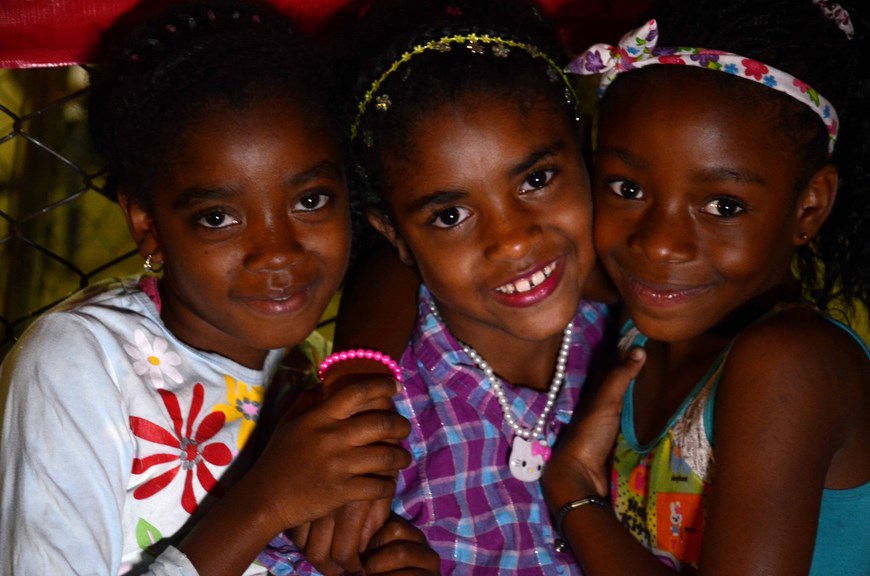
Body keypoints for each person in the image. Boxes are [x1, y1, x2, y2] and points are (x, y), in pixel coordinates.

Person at [0, 1, 419, 574]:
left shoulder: (311, 369)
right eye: (219, 217)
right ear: (147, 224)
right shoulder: (84, 362)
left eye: (310, 200)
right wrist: (262, 505)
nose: (278, 252)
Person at [258, 0, 646, 573]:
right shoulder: (368, 442)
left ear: (584, 151)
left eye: (536, 180)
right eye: (450, 216)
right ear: (394, 235)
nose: (512, 241)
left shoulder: (642, 333)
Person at [542, 0, 870, 574]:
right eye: (626, 188)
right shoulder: (647, 312)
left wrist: (573, 498)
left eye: (723, 205)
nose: (659, 244)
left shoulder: (791, 363)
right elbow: (429, 264)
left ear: (809, 207)